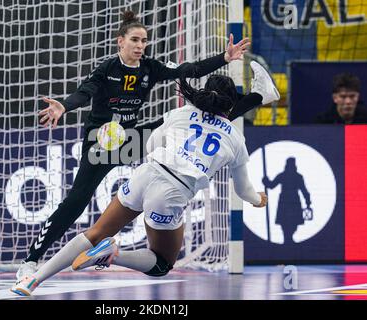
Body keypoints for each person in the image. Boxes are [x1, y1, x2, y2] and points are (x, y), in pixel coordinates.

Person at [15, 10, 279, 282]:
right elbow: (85, 93)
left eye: (144, 41)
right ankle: (31, 261)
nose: (140, 46)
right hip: (100, 144)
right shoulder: (108, 69)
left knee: (205, 116)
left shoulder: (149, 68)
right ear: (121, 42)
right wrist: (65, 106)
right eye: (135, 40)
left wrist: (224, 58)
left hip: (132, 138)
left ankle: (260, 94)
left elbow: (187, 70)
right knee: (75, 203)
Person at [262, 157, 312, 244]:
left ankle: (289, 238)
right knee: (284, 222)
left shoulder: (297, 177)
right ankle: (287, 239)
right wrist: (266, 181)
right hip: (285, 201)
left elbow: (304, 190)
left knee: (293, 222)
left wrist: (307, 201)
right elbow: (271, 185)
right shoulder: (284, 175)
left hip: (293, 201)